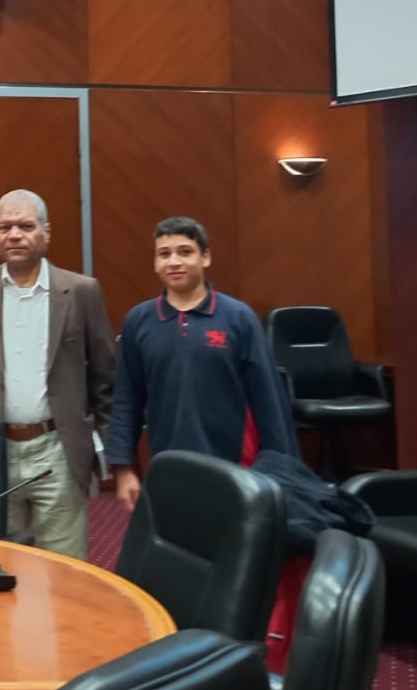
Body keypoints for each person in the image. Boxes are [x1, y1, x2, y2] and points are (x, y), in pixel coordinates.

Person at [0, 189, 115, 560]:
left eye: (25, 226)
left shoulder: (81, 291)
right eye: (4, 227)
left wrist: (103, 447)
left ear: (46, 233)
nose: (14, 235)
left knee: (64, 567)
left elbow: (104, 378)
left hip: (57, 450)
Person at [106, 215, 299, 512]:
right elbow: (126, 398)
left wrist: (283, 469)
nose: (174, 261)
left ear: (205, 257)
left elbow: (268, 399)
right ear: (155, 263)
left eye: (185, 252)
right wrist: (123, 468)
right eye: (164, 254)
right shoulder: (138, 321)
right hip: (168, 464)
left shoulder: (239, 318)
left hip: (236, 467)